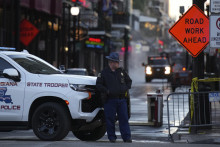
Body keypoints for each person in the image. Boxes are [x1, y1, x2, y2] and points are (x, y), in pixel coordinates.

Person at [96, 52, 132, 143]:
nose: (115, 64)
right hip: (110, 100)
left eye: (116, 62)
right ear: (109, 62)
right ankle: (112, 137)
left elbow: (129, 82)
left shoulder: (122, 72)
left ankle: (127, 137)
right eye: (113, 62)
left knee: (124, 119)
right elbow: (99, 85)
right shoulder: (103, 73)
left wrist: (125, 88)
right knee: (110, 120)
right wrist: (107, 91)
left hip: (121, 100)